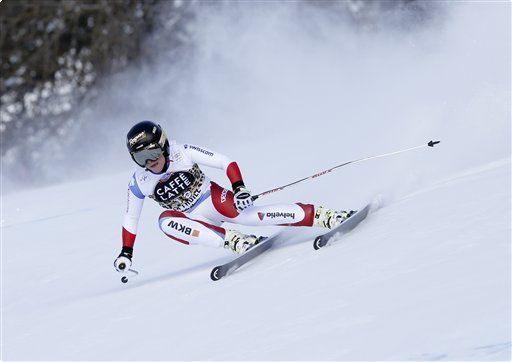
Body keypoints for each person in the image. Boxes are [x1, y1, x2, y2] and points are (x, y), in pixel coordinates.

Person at [114, 120, 354, 273]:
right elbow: (131, 218)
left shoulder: (182, 152)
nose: (150, 162)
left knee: (255, 216)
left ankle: (323, 215)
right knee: (165, 222)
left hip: (213, 200)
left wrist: (239, 188)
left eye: (153, 152)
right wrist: (126, 253)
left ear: (163, 145)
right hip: (195, 221)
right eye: (141, 158)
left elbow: (225, 162)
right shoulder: (140, 181)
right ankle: (235, 241)